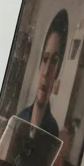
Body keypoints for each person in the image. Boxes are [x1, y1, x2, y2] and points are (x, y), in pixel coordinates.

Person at [16, 8, 69, 139]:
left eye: (54, 61)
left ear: (58, 71)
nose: (46, 72)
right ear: (40, 65)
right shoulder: (19, 120)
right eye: (45, 59)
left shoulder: (53, 131)